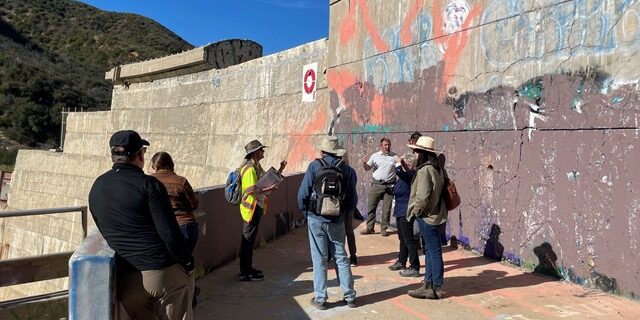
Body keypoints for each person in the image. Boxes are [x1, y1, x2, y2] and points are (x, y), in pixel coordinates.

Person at [89, 130, 194, 319]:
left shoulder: (98, 186)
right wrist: (187, 262)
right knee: (184, 283)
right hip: (161, 274)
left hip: (127, 282)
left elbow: (103, 227)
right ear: (139, 155)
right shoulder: (149, 185)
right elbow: (169, 233)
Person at [297, 136, 357, 310]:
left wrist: (307, 213)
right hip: (337, 220)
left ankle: (321, 299)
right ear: (337, 152)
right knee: (341, 257)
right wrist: (343, 213)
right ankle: (350, 296)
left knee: (320, 259)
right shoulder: (348, 170)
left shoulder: (314, 166)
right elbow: (353, 199)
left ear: (322, 151)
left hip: (316, 219)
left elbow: (302, 194)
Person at [150, 151, 201, 307]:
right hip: (187, 227)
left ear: (154, 166)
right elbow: (194, 204)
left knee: (172, 266)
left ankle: (175, 300)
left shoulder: (149, 181)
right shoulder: (181, 181)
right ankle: (190, 295)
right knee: (185, 263)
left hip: (164, 229)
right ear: (171, 164)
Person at [238, 139, 287, 281]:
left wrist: (280, 170)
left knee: (250, 239)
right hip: (250, 209)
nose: (263, 152)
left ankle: (248, 268)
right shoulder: (249, 169)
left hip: (257, 207)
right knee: (247, 240)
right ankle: (245, 271)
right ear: (255, 153)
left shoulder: (257, 167)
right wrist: (269, 189)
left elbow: (268, 179)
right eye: (261, 150)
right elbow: (251, 190)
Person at [406, 136, 448, 300]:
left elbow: (422, 197)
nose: (414, 153)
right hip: (437, 214)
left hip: (427, 216)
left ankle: (435, 287)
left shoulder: (425, 170)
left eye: (416, 151)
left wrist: (416, 212)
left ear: (422, 153)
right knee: (431, 251)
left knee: (433, 252)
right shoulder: (438, 168)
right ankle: (429, 285)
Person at [388, 154, 421, 277]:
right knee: (402, 238)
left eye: (405, 163)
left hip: (406, 211)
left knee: (409, 239)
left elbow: (399, 172)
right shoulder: (405, 176)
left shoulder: (411, 175)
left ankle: (415, 266)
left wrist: (398, 162)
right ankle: (402, 260)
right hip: (399, 210)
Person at [361, 137, 397, 237]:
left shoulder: (394, 157)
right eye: (385, 145)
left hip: (389, 186)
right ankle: (370, 228)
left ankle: (384, 229)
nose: (387, 146)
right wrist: (364, 163)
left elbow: (399, 166)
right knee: (371, 207)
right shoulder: (375, 156)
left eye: (389, 144)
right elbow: (367, 168)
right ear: (381, 146)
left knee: (387, 209)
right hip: (376, 185)